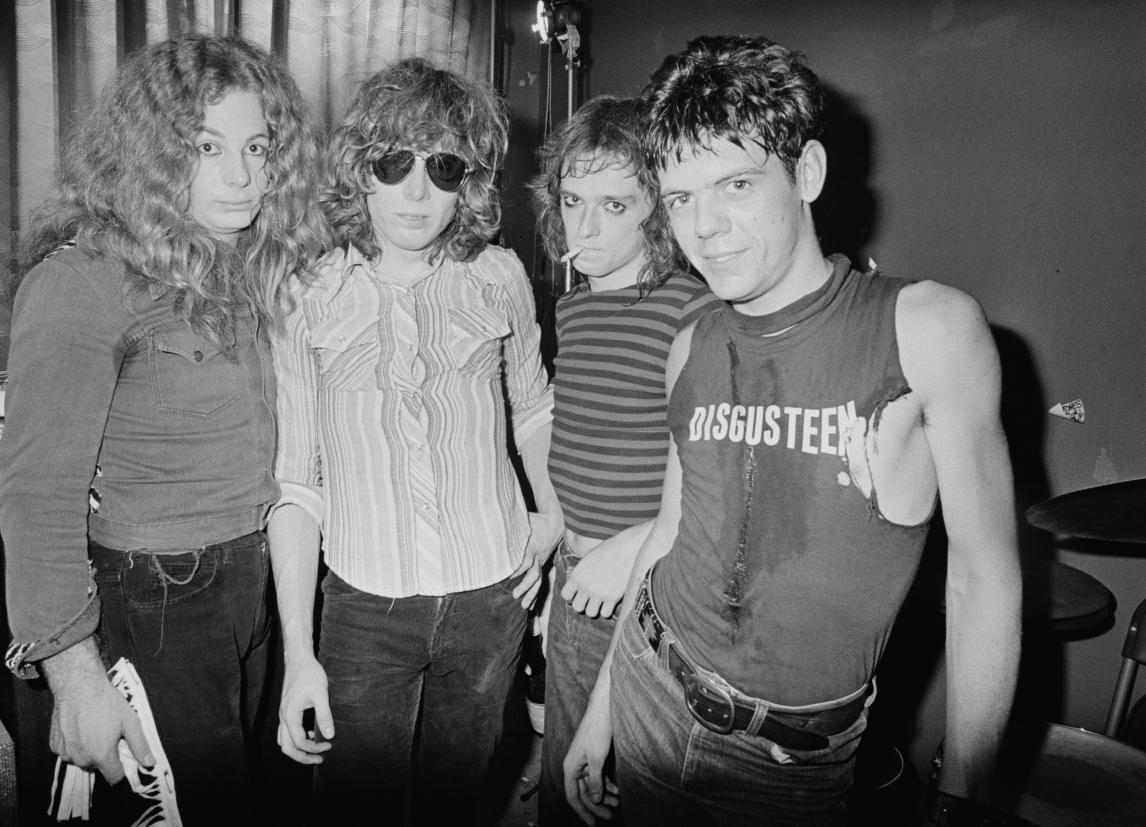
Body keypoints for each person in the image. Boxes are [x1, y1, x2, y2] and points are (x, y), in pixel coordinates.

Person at [563, 34, 1022, 826]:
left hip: (784, 767)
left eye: (735, 184)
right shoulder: (690, 346)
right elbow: (669, 532)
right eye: (680, 199)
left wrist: (966, 796)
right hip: (647, 686)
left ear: (805, 173)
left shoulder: (927, 331)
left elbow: (984, 578)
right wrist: (601, 708)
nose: (705, 227)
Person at [0, 34, 324, 824]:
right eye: (208, 148)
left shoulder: (240, 264)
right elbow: (36, 503)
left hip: (249, 581)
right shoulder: (80, 278)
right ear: (149, 152)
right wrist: (75, 682)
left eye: (257, 147)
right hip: (159, 598)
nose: (242, 175)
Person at [269, 57, 563, 825]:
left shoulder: (499, 277)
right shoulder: (310, 293)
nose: (415, 191)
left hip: (489, 596)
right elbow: (297, 483)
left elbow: (533, 408)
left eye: (441, 166)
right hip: (365, 606)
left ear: (466, 182)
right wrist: (300, 655)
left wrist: (552, 516)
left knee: (459, 803)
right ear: (360, 168)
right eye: (394, 163)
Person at [528, 95, 723, 825]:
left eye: (614, 205)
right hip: (574, 580)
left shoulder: (692, 310)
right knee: (564, 787)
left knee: (630, 790)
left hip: (647, 589)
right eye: (573, 201)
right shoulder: (571, 309)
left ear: (657, 209)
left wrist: (632, 544)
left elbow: (711, 487)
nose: (585, 226)